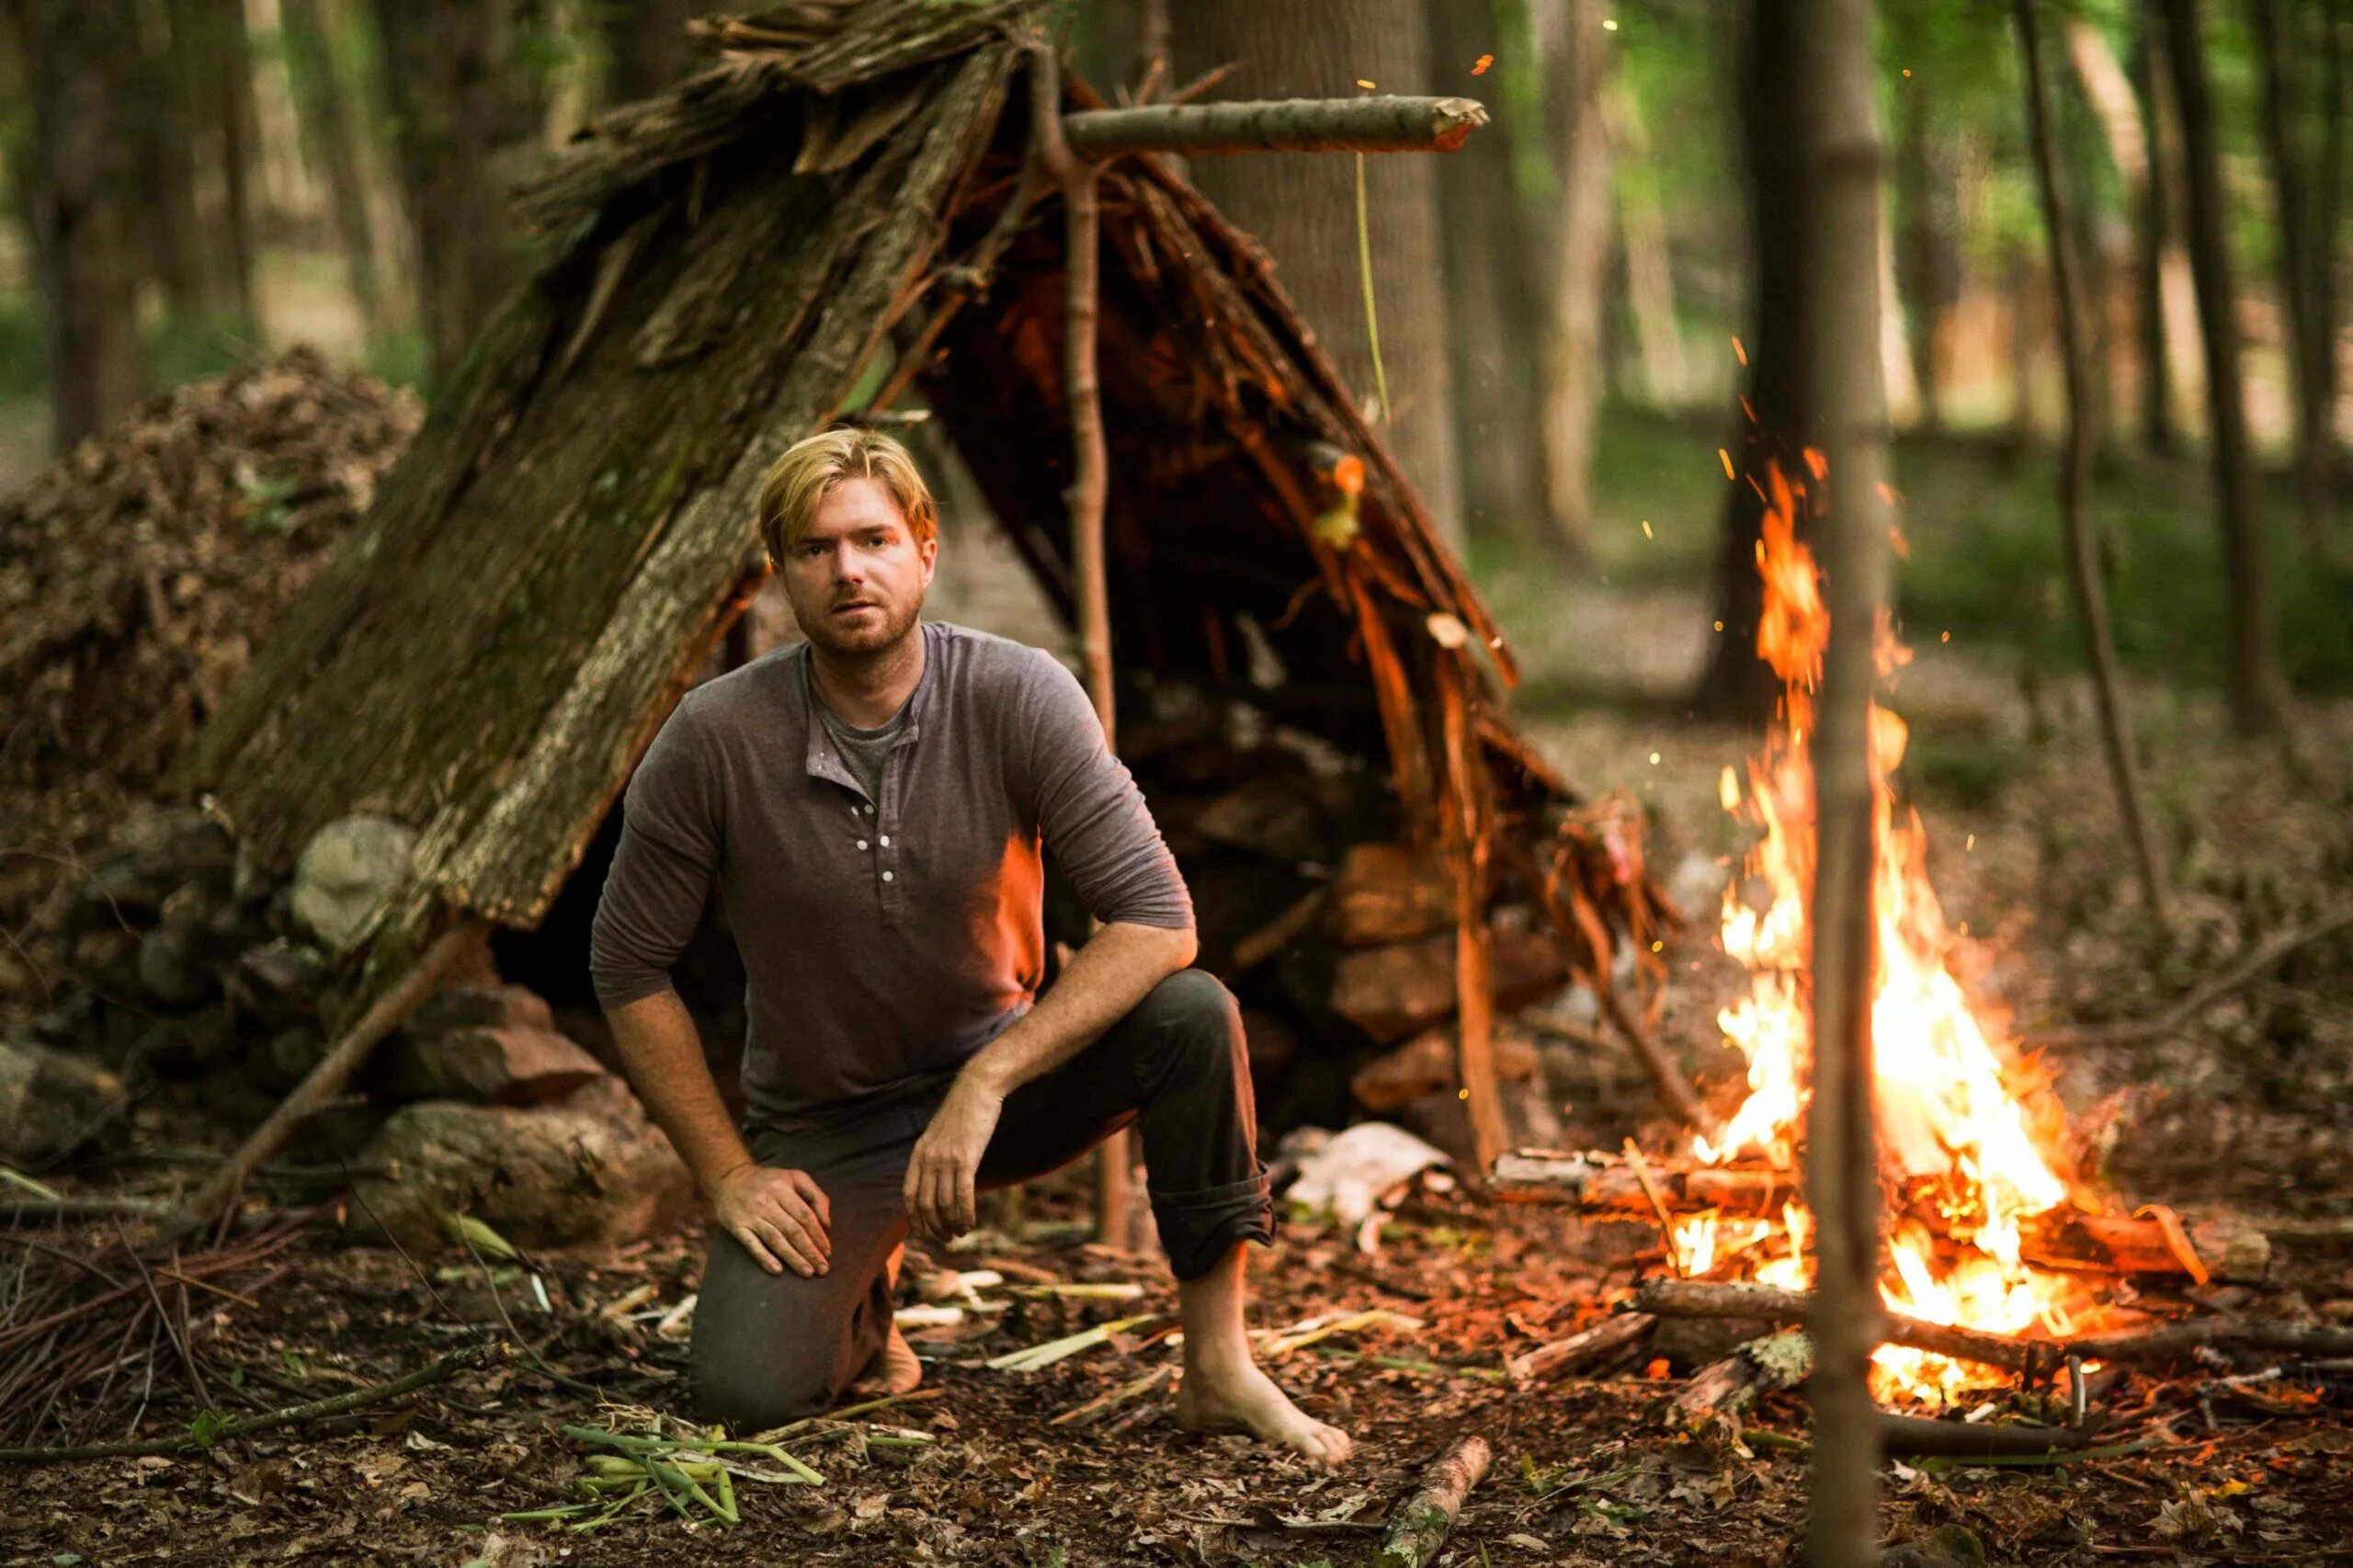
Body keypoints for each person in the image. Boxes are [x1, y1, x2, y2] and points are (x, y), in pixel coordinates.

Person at [588, 426, 1350, 1465]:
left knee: (1192, 1013)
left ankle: (1217, 1364)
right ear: (779, 571)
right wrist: (726, 1174)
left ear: (924, 549)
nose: (848, 568)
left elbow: (1159, 917)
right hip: (831, 1123)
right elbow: (626, 966)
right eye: (814, 549)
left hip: (1011, 1085)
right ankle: (864, 1305)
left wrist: (988, 1078)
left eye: (872, 538)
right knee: (744, 1396)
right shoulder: (715, 737)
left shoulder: (1016, 693)